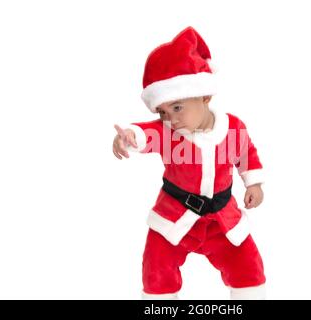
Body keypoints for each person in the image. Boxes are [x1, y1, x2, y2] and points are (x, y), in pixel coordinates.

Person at [112, 26, 266, 299]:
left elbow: (246, 153)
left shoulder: (233, 128)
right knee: (156, 269)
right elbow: (147, 133)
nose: (171, 119)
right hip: (174, 216)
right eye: (163, 111)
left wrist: (253, 183)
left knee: (248, 266)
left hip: (221, 219)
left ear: (205, 96)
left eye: (177, 107)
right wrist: (129, 137)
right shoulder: (167, 132)